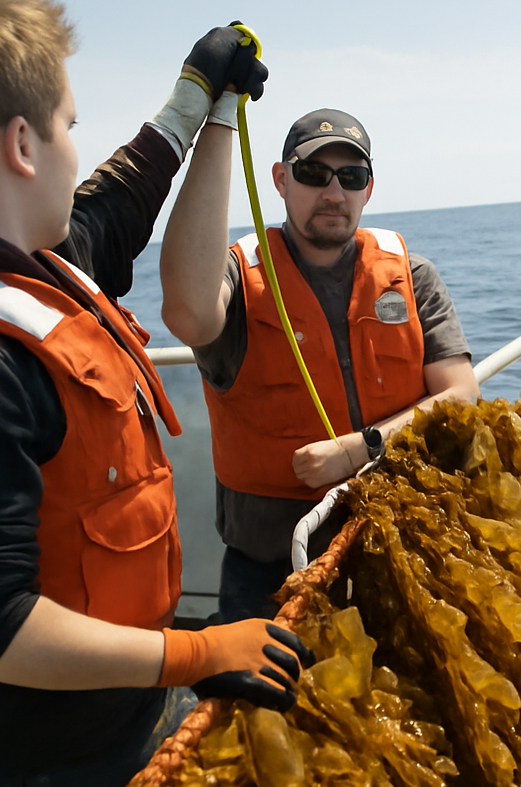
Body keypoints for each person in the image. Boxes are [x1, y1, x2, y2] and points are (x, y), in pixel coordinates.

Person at [0, 0, 312, 787]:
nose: (83, 147)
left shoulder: (17, 258)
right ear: (24, 147)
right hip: (35, 765)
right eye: (72, 125)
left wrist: (200, 97)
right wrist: (194, 655)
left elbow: (116, 206)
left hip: (114, 710)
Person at [159, 107, 479, 623]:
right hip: (270, 574)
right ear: (281, 181)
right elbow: (186, 314)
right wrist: (216, 121)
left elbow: (461, 394)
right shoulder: (237, 280)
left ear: (368, 190)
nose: (334, 193)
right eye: (313, 174)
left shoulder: (412, 276)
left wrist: (361, 447)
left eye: (351, 178)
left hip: (399, 547)